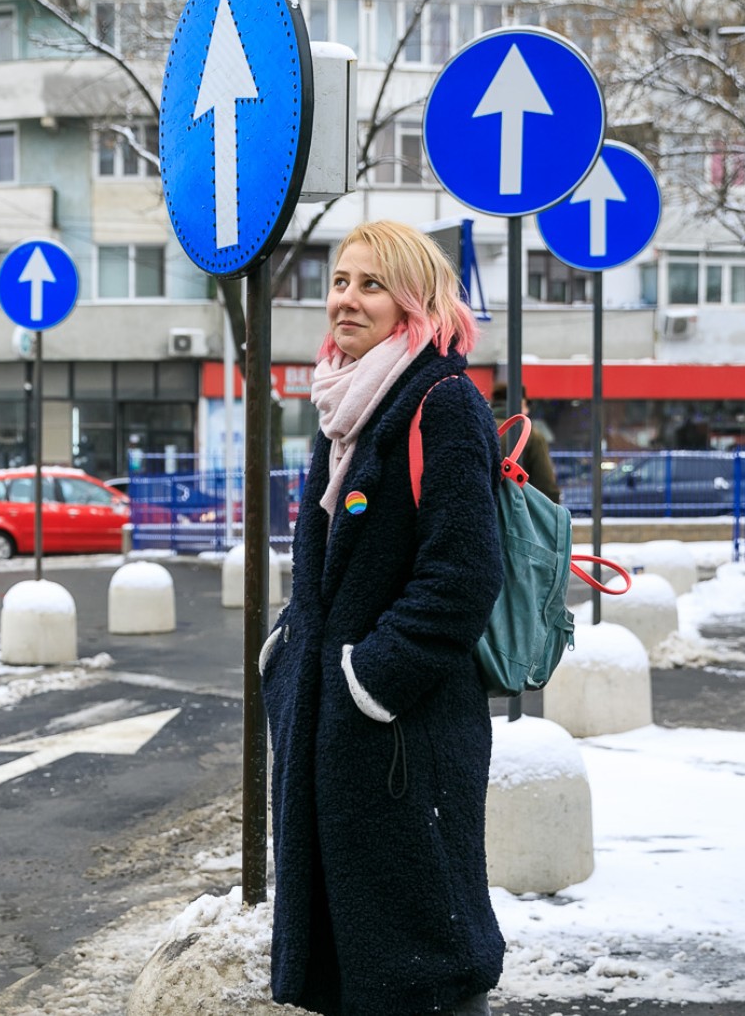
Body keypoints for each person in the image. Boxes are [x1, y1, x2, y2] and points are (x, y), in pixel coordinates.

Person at [263, 220, 506, 1015]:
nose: (345, 300)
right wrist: (289, 654)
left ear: (412, 301)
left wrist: (371, 680)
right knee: (350, 961)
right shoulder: (346, 406)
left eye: (370, 284)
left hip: (404, 735)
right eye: (339, 280)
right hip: (339, 729)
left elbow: (464, 572)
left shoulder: (440, 400)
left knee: (419, 959)